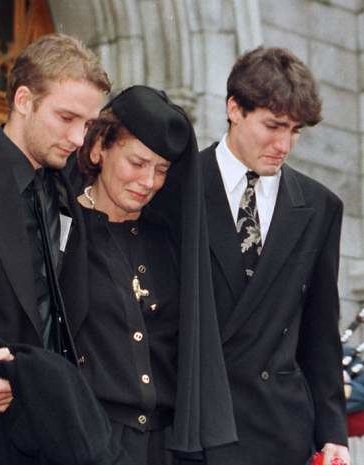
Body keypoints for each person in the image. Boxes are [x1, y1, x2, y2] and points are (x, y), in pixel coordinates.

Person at [0, 33, 111, 465]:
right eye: (66, 117)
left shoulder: (67, 194)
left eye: (87, 124)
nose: (77, 138)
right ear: (22, 100)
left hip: (52, 432)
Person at [64, 85, 237, 464]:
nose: (149, 182)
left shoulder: (171, 243)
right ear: (98, 149)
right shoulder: (62, 229)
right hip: (87, 442)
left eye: (161, 170)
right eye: (137, 163)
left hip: (163, 447)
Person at [200, 46, 350, 465]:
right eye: (273, 126)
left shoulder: (320, 207)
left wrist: (333, 431)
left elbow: (321, 331)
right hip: (198, 428)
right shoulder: (180, 188)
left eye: (296, 130)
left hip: (281, 432)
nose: (284, 145)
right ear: (234, 108)